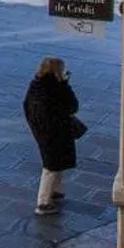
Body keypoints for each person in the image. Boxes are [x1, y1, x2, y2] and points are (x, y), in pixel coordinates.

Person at [23, 57, 84, 214]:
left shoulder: (36, 85)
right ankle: (43, 203)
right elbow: (72, 106)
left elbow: (26, 105)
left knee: (56, 162)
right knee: (51, 166)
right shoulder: (57, 89)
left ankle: (55, 191)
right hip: (56, 132)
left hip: (42, 131)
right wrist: (65, 85)